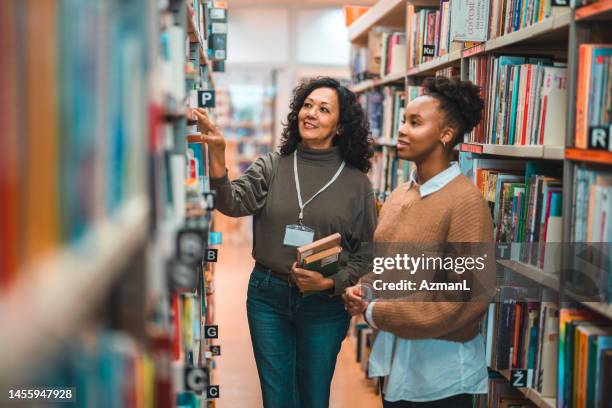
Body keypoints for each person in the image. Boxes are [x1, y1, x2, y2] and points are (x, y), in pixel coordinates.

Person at [193, 77, 377, 408]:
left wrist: (328, 282)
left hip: (324, 304)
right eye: (307, 105)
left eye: (323, 109)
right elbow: (231, 203)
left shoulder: (357, 183)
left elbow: (364, 254)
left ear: (340, 126)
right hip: (268, 296)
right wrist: (217, 156)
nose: (311, 113)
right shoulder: (272, 165)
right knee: (276, 398)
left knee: (313, 397)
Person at [343, 76, 495, 408]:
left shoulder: (466, 202)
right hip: (399, 359)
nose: (402, 130)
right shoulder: (400, 194)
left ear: (446, 135)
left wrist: (376, 312)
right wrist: (366, 288)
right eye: (402, 121)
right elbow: (387, 267)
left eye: (415, 122)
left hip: (441, 373)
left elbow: (464, 298)